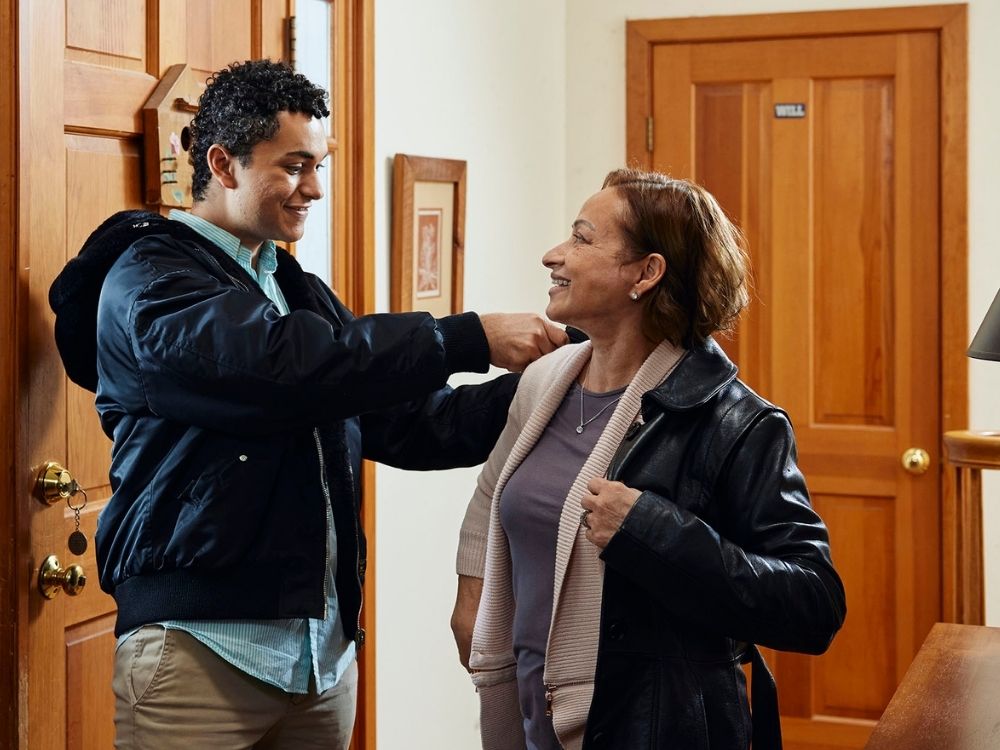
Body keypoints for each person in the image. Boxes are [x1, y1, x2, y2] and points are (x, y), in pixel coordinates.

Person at [47, 59, 566, 750]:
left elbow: (417, 424)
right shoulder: (148, 280)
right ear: (223, 164)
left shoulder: (297, 290)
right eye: (294, 166)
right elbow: (273, 368)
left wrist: (564, 377)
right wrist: (466, 336)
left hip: (321, 664)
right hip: (199, 659)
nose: (314, 188)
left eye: (318, 165)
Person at [452, 169, 847, 749]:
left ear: (646, 273)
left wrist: (654, 531)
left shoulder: (738, 423)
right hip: (532, 720)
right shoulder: (543, 383)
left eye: (582, 239)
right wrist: (472, 596)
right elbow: (492, 494)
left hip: (653, 729)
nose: (553, 255)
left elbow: (814, 604)